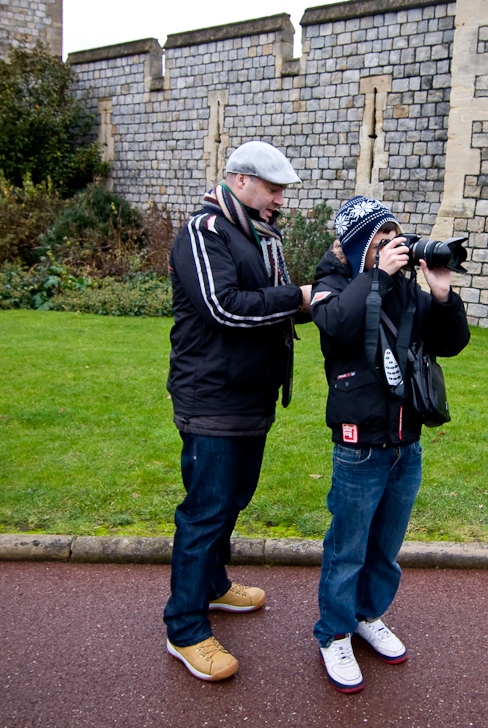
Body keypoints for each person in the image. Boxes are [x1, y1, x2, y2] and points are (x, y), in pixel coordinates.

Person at [164, 140, 312, 682]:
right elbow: (225, 308)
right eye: (273, 190)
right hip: (212, 397)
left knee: (233, 500)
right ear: (241, 181)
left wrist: (323, 299)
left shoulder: (258, 233)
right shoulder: (204, 233)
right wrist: (296, 297)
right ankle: (185, 629)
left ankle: (213, 586)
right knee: (205, 511)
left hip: (250, 396)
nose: (279, 200)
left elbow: (273, 303)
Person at [310, 196, 470, 693]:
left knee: (385, 548)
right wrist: (376, 275)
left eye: (397, 237)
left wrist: (441, 293)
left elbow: (451, 343)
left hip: (407, 441)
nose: (395, 247)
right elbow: (336, 327)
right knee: (348, 548)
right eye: (383, 239)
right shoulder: (333, 285)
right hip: (360, 444)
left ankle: (366, 614)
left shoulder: (405, 291)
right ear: (363, 247)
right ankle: (333, 632)